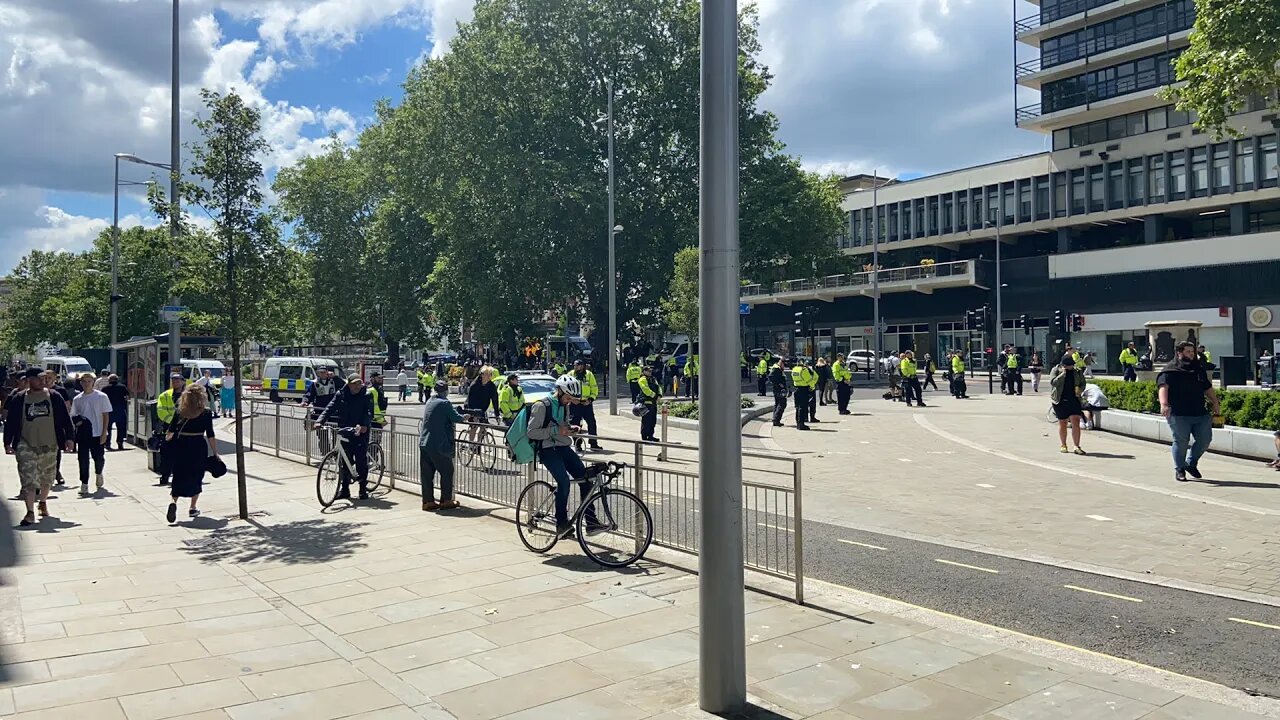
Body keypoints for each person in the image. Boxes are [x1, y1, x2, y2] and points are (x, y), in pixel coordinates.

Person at [526, 375, 600, 538]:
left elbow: (561, 425)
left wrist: (570, 428)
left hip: (562, 446)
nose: (569, 401)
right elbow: (531, 432)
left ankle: (591, 522)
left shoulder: (564, 406)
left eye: (572, 399)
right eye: (567, 397)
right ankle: (561, 524)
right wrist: (555, 431)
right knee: (564, 481)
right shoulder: (542, 406)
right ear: (558, 391)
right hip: (546, 449)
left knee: (586, 478)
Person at [4, 369, 74, 526]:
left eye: (44, 378)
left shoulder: (54, 396)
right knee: (28, 479)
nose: (43, 380)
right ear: (29, 380)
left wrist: (69, 438)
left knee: (46, 478)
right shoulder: (19, 398)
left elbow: (65, 418)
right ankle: (30, 512)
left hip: (49, 443)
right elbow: (12, 422)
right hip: (25, 444)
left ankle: (42, 501)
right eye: (39, 378)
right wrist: (7, 442)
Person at [1158, 341, 1219, 482]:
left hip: (1200, 412)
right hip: (1178, 413)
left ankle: (1191, 463)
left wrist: (1215, 402)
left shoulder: (1198, 369)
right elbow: (1163, 387)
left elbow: (1207, 387)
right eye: (1188, 352)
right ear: (1179, 353)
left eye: (1193, 352)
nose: (1191, 354)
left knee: (1205, 439)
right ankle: (1180, 469)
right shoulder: (1170, 370)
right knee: (1181, 441)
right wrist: (1164, 404)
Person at [163, 385, 218, 523]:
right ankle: (192, 507)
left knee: (179, 474)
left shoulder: (180, 411)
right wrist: (215, 452)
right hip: (198, 446)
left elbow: (170, 432)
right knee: (197, 475)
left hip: (181, 446)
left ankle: (173, 502)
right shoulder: (205, 413)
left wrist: (167, 440)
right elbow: (210, 434)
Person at [315, 373, 373, 501]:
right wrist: (320, 421)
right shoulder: (341, 394)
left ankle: (363, 488)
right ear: (349, 384)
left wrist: (364, 425)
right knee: (344, 462)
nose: (358, 386)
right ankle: (345, 489)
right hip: (344, 429)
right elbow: (329, 408)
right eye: (355, 383)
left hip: (359, 431)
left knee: (360, 461)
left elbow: (369, 412)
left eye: (360, 383)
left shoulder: (366, 395)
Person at [420, 380, 465, 511]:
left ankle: (428, 501)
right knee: (447, 471)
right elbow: (456, 418)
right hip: (438, 443)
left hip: (425, 442)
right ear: (446, 391)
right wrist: (465, 416)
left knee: (427, 474)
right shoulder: (444, 403)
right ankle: (446, 500)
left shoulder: (430, 401)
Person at [71, 373, 112, 495]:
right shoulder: (77, 399)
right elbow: (73, 415)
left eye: (89, 381)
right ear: (81, 383)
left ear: (93, 382)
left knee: (98, 458)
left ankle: (99, 473)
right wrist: (77, 422)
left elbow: (106, 415)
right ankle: (84, 483)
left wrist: (104, 433)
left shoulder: (101, 397)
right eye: (84, 381)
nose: (87, 383)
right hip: (84, 434)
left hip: (98, 432)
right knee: (83, 459)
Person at [1049, 353, 1087, 455]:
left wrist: (1080, 389)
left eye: (1072, 365)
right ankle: (1063, 444)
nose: (1071, 367)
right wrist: (1062, 375)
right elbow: (1053, 382)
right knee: (1063, 423)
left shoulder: (1077, 372)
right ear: (1063, 365)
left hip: (1074, 399)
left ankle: (1076, 446)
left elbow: (1083, 383)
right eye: (1069, 365)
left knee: (1075, 421)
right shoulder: (1056, 370)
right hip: (1060, 400)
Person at [302, 366, 344, 455]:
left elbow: (344, 386)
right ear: (318, 373)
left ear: (327, 372)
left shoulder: (334, 381)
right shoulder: (314, 384)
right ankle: (325, 454)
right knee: (322, 435)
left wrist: (335, 377)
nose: (322, 374)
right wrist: (305, 402)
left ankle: (336, 454)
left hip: (334, 413)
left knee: (336, 434)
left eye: (324, 372)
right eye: (320, 372)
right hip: (320, 413)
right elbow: (308, 395)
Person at [155, 373, 186, 486]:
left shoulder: (187, 395)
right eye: (173, 380)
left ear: (183, 382)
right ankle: (164, 476)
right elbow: (160, 411)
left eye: (177, 380)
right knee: (166, 454)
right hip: (168, 429)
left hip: (184, 429)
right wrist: (173, 422)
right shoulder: (165, 395)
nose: (175, 382)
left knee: (182, 455)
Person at [571, 359, 601, 450]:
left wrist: (590, 399)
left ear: (582, 366)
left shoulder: (589, 375)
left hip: (586, 403)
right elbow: (565, 388)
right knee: (576, 425)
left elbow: (594, 388)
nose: (575, 367)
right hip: (575, 404)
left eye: (577, 365)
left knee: (592, 423)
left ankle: (593, 443)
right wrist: (572, 399)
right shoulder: (571, 374)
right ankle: (577, 444)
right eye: (574, 365)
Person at [101, 374, 130, 450]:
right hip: (120, 410)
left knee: (108, 427)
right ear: (117, 379)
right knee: (121, 428)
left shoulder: (105, 388)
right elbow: (127, 397)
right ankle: (120, 442)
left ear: (109, 380)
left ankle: (107, 444)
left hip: (109, 411)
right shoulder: (122, 387)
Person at [637, 365, 660, 441]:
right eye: (648, 371)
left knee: (653, 420)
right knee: (646, 420)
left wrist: (659, 395)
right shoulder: (642, 379)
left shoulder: (653, 379)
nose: (650, 372)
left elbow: (658, 387)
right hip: (646, 403)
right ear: (644, 371)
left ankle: (650, 435)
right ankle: (644, 436)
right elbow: (645, 389)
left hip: (653, 403)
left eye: (651, 371)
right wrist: (654, 395)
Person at [790, 360, 815, 431]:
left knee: (797, 407)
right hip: (804, 389)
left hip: (796, 389)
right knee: (803, 407)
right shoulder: (804, 370)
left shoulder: (794, 369)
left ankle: (798, 423)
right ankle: (801, 424)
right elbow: (809, 380)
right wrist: (812, 387)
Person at [368, 372, 388, 443]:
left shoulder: (379, 389)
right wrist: (381, 420)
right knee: (374, 442)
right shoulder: (373, 390)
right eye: (379, 378)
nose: (381, 379)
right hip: (375, 420)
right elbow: (375, 407)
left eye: (382, 378)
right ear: (372, 379)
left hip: (377, 419)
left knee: (376, 442)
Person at [770, 358, 789, 426]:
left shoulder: (778, 368)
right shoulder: (776, 369)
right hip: (779, 389)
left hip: (778, 389)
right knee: (782, 404)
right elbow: (771, 377)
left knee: (778, 403)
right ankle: (776, 419)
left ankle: (775, 419)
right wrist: (778, 384)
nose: (784, 366)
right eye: (784, 365)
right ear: (781, 363)